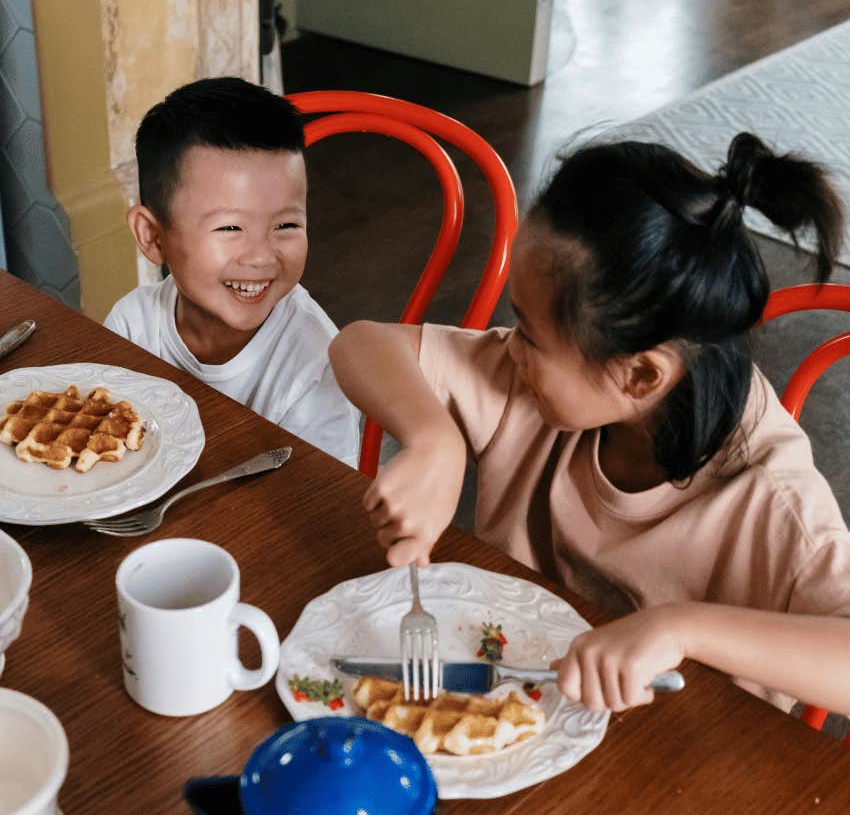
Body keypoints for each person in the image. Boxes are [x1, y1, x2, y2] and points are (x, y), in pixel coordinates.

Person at [328, 132, 850, 716]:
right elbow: (359, 345)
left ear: (641, 377)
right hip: (522, 714)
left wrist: (681, 629)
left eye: (529, 333)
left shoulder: (774, 500)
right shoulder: (532, 384)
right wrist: (433, 440)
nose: (511, 347)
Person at [105, 77, 360, 467]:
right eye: (230, 228)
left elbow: (318, 503)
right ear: (153, 236)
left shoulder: (314, 368)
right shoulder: (132, 325)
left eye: (285, 226)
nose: (260, 256)